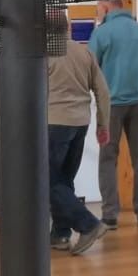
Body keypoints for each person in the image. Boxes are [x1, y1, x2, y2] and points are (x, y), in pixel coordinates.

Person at [90, 0, 138, 228]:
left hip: (111, 104)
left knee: (108, 157)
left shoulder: (101, 33)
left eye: (98, 8)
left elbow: (91, 68)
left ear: (106, 7)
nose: (97, 12)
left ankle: (110, 214)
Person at [47, 37, 111, 256]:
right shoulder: (84, 53)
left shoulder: (44, 54)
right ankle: (60, 235)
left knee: (47, 180)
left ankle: (89, 225)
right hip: (80, 124)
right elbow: (103, 91)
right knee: (63, 181)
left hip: (54, 123)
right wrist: (103, 124)